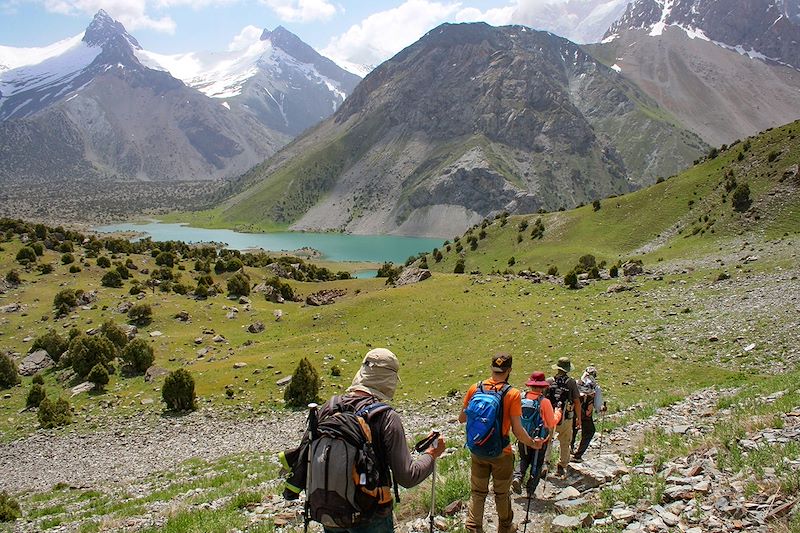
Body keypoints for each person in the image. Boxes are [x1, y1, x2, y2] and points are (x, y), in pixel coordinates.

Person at [280, 348, 445, 533]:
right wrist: (432, 455)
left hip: (329, 511)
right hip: (371, 514)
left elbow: (305, 454)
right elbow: (407, 477)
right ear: (389, 380)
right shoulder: (386, 417)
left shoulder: (329, 407)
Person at [459, 353, 537, 533]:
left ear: (492, 368)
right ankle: (505, 527)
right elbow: (517, 430)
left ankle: (473, 527)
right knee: (501, 493)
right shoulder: (512, 393)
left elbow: (462, 418)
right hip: (501, 452)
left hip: (477, 449)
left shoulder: (475, 388)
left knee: (478, 493)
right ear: (509, 370)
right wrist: (532, 443)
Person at [512, 371, 561, 497]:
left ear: (530, 385)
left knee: (524, 459)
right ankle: (530, 491)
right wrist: (558, 414)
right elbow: (550, 423)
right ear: (543, 386)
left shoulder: (521, 398)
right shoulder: (544, 402)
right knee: (537, 464)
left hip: (523, 435)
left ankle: (517, 477)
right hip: (539, 439)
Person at [548, 357, 581, 477]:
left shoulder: (550, 381)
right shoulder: (571, 382)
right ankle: (561, 466)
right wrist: (579, 418)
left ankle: (545, 463)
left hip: (550, 416)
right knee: (565, 442)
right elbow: (577, 401)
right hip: (566, 417)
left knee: (548, 440)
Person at [571, 366, 606, 462]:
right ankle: (578, 455)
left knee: (573, 431)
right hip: (586, 414)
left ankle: (569, 451)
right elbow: (598, 405)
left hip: (574, 412)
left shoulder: (576, 383)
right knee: (589, 432)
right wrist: (602, 409)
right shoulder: (595, 387)